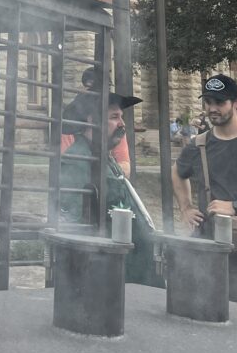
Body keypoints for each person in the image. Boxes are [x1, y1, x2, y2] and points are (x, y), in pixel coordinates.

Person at [172, 73, 237, 305]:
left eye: (220, 102)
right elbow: (177, 172)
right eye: (208, 102)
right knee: (199, 317)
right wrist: (185, 208)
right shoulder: (198, 145)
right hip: (205, 249)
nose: (212, 108)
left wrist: (235, 207)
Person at [59, 90, 161, 287]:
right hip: (107, 274)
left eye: (121, 116)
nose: (122, 124)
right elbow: (78, 223)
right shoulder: (78, 160)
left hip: (130, 271)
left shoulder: (103, 157)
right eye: (115, 117)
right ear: (92, 121)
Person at [61, 67, 131, 175]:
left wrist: (107, 173)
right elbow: (66, 166)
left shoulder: (116, 127)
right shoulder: (72, 124)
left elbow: (125, 165)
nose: (121, 123)